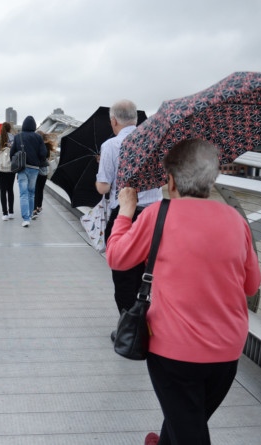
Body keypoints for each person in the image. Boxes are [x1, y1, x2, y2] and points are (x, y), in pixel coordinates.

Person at [106, 139, 261, 445]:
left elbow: (117, 257)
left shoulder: (157, 216)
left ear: (171, 180)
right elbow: (251, 286)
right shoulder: (237, 220)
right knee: (187, 419)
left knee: (189, 430)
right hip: (227, 351)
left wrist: (126, 211)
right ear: (212, 179)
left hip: (173, 351)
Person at [95, 100, 163, 339]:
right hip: (156, 215)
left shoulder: (110, 145)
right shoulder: (154, 142)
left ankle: (130, 329)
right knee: (151, 272)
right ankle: (151, 324)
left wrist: (101, 173)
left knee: (124, 274)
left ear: (114, 120)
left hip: (126, 214)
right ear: (136, 118)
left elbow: (103, 188)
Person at [10, 115, 47, 227]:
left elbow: (12, 153)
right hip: (34, 169)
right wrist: (37, 161)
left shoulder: (18, 137)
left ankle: (25, 218)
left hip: (22, 168)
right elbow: (43, 154)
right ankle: (30, 215)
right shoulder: (38, 137)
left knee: (23, 194)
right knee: (31, 193)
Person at [0, 122, 16, 221]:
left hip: (0, 168)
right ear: (10, 129)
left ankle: (4, 213)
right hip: (11, 168)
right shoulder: (14, 139)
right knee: (10, 189)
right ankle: (11, 212)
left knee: (2, 190)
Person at [33, 131, 57, 219]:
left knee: (36, 189)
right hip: (45, 171)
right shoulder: (47, 146)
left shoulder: (37, 146)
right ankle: (39, 206)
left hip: (37, 170)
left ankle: (35, 208)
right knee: (40, 189)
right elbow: (47, 158)